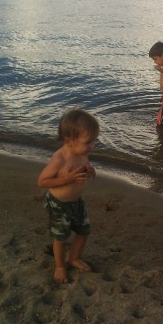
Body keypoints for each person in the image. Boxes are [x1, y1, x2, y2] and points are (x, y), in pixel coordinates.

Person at [37, 108, 100, 284]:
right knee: (61, 237)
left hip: (77, 202)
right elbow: (42, 181)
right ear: (69, 141)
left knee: (83, 231)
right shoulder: (59, 159)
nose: (92, 146)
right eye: (88, 142)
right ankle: (60, 266)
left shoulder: (82, 152)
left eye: (94, 140)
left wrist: (90, 169)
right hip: (59, 204)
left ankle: (73, 258)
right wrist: (67, 178)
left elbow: (82, 164)